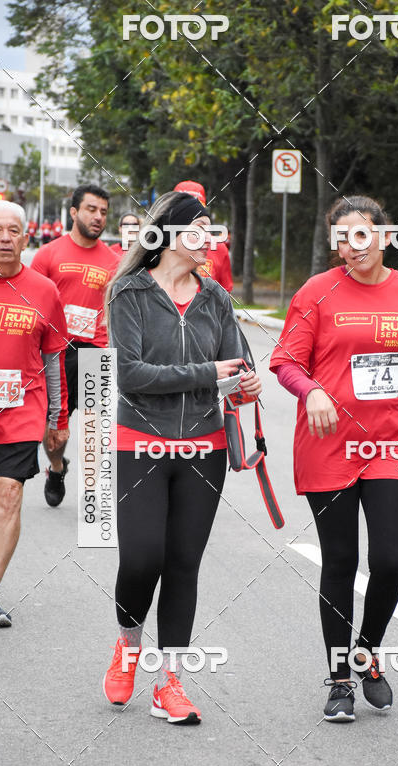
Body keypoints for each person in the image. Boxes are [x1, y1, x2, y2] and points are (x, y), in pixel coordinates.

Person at [270, 195, 398, 722]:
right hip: (329, 446)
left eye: (362, 234)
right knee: (341, 562)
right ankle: (340, 678)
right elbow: (285, 361)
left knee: (390, 561)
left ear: (384, 237)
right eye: (342, 238)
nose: (353, 245)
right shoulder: (316, 292)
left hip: (391, 444)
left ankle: (366, 653)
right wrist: (311, 392)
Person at [103, 190, 261, 724]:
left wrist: (246, 383)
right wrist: (209, 374)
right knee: (141, 557)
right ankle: (128, 645)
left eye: (211, 230)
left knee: (183, 564)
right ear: (169, 235)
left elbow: (237, 363)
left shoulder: (215, 296)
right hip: (140, 443)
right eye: (199, 230)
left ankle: (168, 683)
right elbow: (131, 375)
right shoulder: (128, 292)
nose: (208, 240)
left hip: (204, 447)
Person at [0, 200, 69, 626]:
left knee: (8, 494)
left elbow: (53, 360)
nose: (5, 238)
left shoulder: (44, 291)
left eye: (13, 231)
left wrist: (58, 419)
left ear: (26, 238)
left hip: (22, 409)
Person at [31, 184, 117, 506]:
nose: (98, 217)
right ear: (74, 212)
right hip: (55, 352)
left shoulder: (114, 262)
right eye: (91, 209)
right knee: (53, 427)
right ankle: (56, 467)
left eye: (103, 212)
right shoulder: (48, 254)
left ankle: (93, 492)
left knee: (96, 428)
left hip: (96, 351)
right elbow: (31, 303)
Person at [173, 181, 233, 292]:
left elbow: (225, 292)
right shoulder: (163, 247)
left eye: (195, 209)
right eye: (183, 210)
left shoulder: (218, 248)